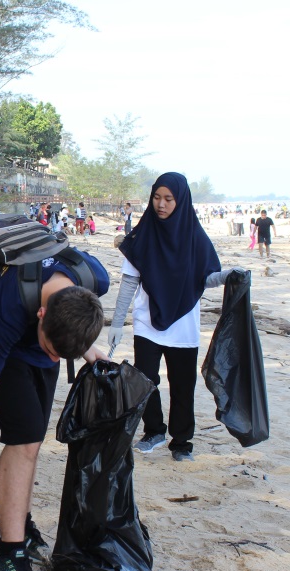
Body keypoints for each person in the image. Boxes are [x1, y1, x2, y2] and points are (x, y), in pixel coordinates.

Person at [0, 245, 110, 571]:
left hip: (43, 336)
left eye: (61, 355)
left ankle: (22, 528)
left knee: (34, 438)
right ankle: (9, 555)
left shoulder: (94, 277)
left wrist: (86, 349)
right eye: (52, 348)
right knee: (23, 437)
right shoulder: (8, 306)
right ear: (41, 313)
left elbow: (68, 326)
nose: (54, 357)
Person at [108, 172, 234, 462]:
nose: (161, 204)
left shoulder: (196, 238)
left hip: (184, 324)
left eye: (168, 199)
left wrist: (228, 276)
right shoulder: (141, 235)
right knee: (146, 379)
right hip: (147, 321)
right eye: (156, 197)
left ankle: (181, 442)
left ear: (181, 200)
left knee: (182, 384)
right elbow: (129, 282)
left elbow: (207, 278)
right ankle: (153, 431)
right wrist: (117, 323)